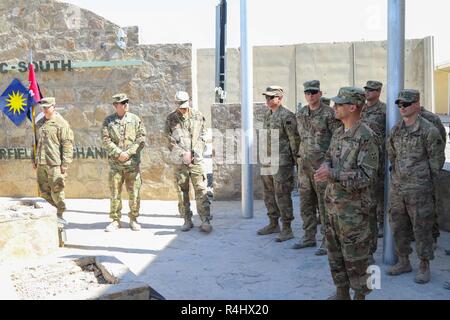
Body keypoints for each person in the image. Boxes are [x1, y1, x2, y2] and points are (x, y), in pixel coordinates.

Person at [315, 87, 379, 300]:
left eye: (339, 104)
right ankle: (342, 292)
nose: (334, 107)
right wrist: (325, 165)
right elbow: (328, 156)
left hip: (355, 213)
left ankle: (363, 295)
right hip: (334, 207)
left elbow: (366, 176)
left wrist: (331, 173)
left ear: (353, 107)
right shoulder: (338, 132)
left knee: (361, 258)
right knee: (335, 254)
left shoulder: (366, 136)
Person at [386, 89, 445, 284]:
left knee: (422, 228)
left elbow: (436, 161)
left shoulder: (429, 130)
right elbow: (392, 155)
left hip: (420, 189)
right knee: (398, 226)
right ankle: (404, 261)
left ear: (417, 105)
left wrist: (423, 180)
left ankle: (424, 265)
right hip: (398, 189)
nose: (402, 107)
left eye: (407, 104)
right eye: (400, 104)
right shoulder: (396, 130)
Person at [292, 80, 341, 256]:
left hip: (322, 166)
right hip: (304, 166)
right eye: (307, 92)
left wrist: (330, 162)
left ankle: (327, 240)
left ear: (320, 93)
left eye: (314, 92)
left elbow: (337, 139)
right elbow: (298, 138)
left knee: (324, 204)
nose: (310, 95)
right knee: (306, 203)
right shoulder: (301, 114)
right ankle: (308, 236)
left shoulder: (329, 114)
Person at [257, 86, 300, 242]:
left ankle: (287, 228)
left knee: (282, 194)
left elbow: (294, 140)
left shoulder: (287, 116)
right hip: (268, 160)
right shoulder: (267, 115)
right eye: (266, 97)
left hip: (282, 162)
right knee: (268, 193)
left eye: (271, 97)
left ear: (279, 98)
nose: (268, 100)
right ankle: (273, 223)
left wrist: (296, 161)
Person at [165, 91, 212, 233]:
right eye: (180, 105)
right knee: (182, 191)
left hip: (196, 160)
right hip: (180, 163)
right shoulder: (171, 119)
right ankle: (187, 220)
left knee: (200, 189)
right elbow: (169, 139)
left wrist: (194, 152)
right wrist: (182, 153)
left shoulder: (198, 115)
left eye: (185, 105)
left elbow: (203, 136)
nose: (183, 108)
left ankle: (205, 220)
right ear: (176, 103)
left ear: (189, 101)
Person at [102, 93, 146, 232]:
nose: (126, 104)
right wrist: (118, 153)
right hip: (116, 165)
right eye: (123, 102)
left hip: (132, 164)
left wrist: (128, 153)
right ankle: (115, 220)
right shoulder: (108, 121)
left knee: (134, 193)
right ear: (115, 105)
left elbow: (141, 138)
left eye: (127, 102)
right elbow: (105, 140)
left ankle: (133, 219)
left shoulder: (135, 119)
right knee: (115, 193)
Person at [33, 97, 74, 225]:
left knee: (57, 189)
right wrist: (33, 160)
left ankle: (60, 214)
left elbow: (67, 144)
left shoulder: (61, 123)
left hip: (54, 163)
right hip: (41, 162)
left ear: (53, 107)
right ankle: (51, 214)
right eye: (43, 107)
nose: (44, 110)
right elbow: (34, 143)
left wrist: (65, 164)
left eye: (47, 107)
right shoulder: (40, 123)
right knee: (44, 191)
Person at [361, 80, 387, 263]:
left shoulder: (385, 110)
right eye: (367, 90)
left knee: (380, 194)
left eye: (371, 90)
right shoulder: (360, 109)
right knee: (368, 195)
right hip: (362, 158)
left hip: (379, 158)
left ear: (378, 92)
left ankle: (382, 225)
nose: (368, 92)